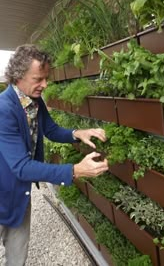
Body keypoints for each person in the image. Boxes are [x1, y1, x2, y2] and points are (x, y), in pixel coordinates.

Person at [0, 44, 109, 266]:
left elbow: (50, 130)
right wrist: (74, 170)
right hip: (2, 190)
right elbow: (21, 167)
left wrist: (78, 133)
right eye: (39, 78)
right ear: (19, 76)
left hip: (19, 194)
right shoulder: (3, 109)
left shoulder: (34, 100)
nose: (45, 84)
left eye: (46, 78)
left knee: (17, 256)